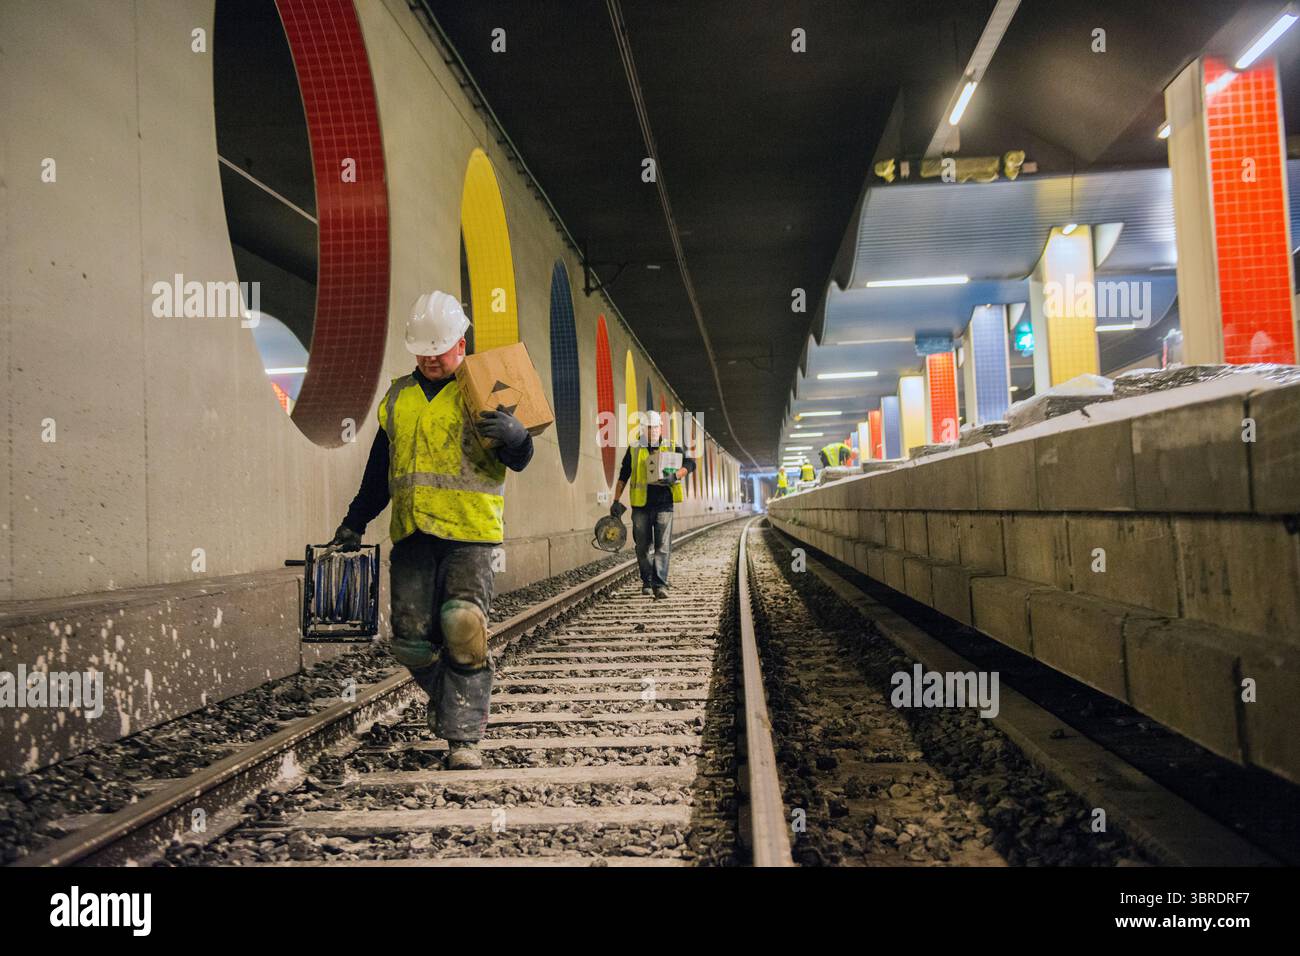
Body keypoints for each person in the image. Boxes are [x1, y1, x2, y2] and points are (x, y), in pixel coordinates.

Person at [328, 290, 533, 770]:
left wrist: (518, 439)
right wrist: (354, 521)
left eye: (438, 350)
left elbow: (518, 459)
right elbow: (381, 470)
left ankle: (463, 738)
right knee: (410, 643)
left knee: (462, 626)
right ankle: (453, 701)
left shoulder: (486, 387)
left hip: (471, 535)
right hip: (413, 534)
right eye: (422, 351)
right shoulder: (398, 396)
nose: (430, 359)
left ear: (461, 343)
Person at [609, 410, 696, 599]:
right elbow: (624, 474)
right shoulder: (634, 448)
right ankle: (647, 581)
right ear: (643, 429)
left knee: (662, 546)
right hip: (641, 506)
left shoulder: (671, 446)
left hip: (664, 504)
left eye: (655, 427)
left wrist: (676, 475)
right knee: (642, 546)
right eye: (648, 428)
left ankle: (660, 585)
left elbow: (690, 463)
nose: (652, 431)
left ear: (661, 427)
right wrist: (616, 500)